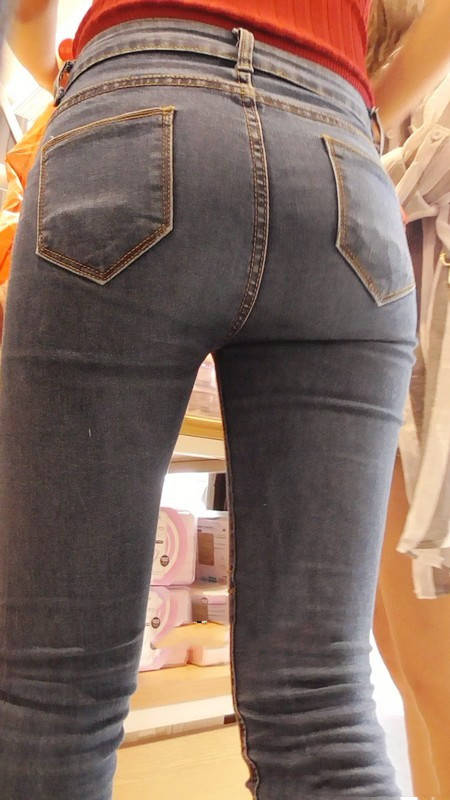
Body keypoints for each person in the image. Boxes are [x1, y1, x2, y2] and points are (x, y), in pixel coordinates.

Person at [0, 2, 448, 800]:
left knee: (53, 693)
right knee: (322, 704)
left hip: (137, 96)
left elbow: (29, 11)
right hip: (339, 148)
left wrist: (64, 76)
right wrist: (357, 107)